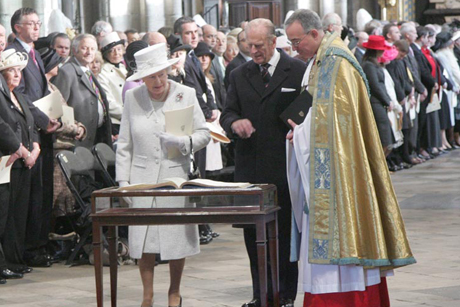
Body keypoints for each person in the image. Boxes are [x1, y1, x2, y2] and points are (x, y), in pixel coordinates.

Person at [284, 9, 415, 307]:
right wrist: (299, 130)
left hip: (338, 177)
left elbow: (334, 127)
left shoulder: (336, 65)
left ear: (314, 34)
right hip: (328, 169)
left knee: (341, 255)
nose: (294, 48)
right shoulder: (322, 60)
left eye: (296, 41)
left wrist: (301, 132)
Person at [116, 43, 210, 307]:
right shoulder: (133, 99)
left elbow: (204, 133)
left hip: (174, 175)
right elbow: (124, 143)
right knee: (144, 238)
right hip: (141, 177)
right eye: (151, 77)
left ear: (169, 70)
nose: (157, 81)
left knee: (175, 237)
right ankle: (147, 295)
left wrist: (183, 142)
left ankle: (174, 292)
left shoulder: (186, 94)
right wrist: (123, 182)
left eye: (161, 74)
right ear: (142, 78)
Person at [220, 18, 306, 307]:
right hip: (250, 168)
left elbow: (307, 112)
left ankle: (286, 295)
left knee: (284, 234)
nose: (254, 50)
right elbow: (226, 113)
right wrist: (235, 123)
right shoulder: (239, 73)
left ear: (273, 41)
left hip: (284, 167)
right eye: (249, 45)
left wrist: (300, 129)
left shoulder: (297, 71)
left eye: (259, 45)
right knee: (252, 235)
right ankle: (260, 294)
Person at [8, 7, 60, 267]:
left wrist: (52, 118)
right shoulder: (13, 54)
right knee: (31, 195)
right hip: (26, 131)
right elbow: (20, 94)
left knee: (42, 191)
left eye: (38, 23)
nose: (37, 28)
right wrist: (42, 120)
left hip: (41, 129)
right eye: (31, 24)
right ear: (17, 27)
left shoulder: (35, 54)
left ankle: (38, 245)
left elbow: (41, 91)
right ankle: (29, 248)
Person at [0, 48, 39, 276]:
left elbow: (30, 124)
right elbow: (3, 127)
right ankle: (3, 263)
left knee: (18, 213)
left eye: (18, 71)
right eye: (11, 70)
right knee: (4, 213)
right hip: (8, 160)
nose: (16, 74)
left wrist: (35, 147)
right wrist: (20, 149)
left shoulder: (20, 96)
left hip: (24, 161)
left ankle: (14, 259)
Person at [39, 48, 86, 222]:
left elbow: (67, 114)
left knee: (67, 199)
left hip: (66, 146)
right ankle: (57, 240)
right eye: (56, 62)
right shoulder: (42, 89)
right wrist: (75, 130)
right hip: (55, 149)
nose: (59, 65)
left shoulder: (53, 87)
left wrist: (80, 127)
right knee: (57, 201)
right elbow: (51, 122)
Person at [53, 34, 112, 149]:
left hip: (95, 136)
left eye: (92, 49)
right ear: (74, 50)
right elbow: (58, 109)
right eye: (84, 48)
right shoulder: (66, 72)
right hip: (76, 140)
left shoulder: (87, 70)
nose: (89, 52)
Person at [361, 35, 395, 157]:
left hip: (379, 103)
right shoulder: (368, 65)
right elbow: (375, 85)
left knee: (386, 138)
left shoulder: (374, 64)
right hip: (375, 103)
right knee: (383, 137)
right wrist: (387, 101)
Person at [98, 32, 128, 137]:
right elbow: (108, 102)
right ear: (106, 54)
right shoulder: (103, 72)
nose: (116, 53)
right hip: (116, 122)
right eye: (111, 51)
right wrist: (128, 112)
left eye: (119, 49)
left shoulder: (124, 68)